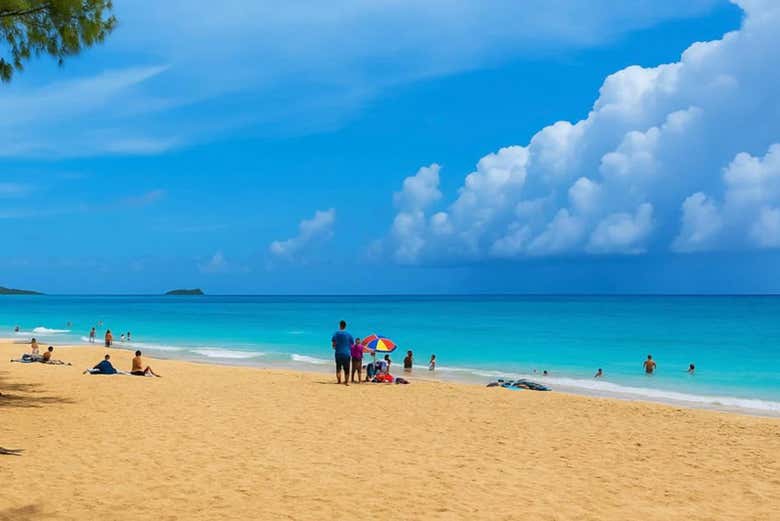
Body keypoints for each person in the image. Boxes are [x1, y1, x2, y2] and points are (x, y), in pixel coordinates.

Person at [331, 320, 353, 385]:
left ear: (340, 325)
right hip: (347, 353)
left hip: (338, 353)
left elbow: (333, 344)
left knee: (338, 368)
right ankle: (346, 382)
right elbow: (352, 345)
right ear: (345, 326)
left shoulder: (336, 334)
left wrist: (335, 347)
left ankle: (339, 381)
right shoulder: (349, 334)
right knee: (347, 369)